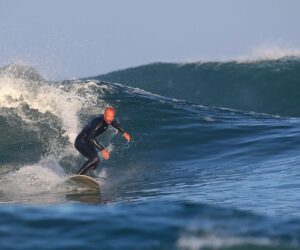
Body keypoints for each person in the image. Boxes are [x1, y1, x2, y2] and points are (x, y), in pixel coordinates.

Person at [74, 107, 131, 175]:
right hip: (80, 142)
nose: (109, 119)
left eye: (111, 117)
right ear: (104, 115)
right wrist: (103, 150)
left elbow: (113, 122)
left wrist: (123, 132)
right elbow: (90, 138)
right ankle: (77, 175)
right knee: (94, 158)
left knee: (97, 161)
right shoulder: (99, 123)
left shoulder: (108, 120)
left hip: (87, 142)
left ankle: (85, 175)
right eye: (108, 116)